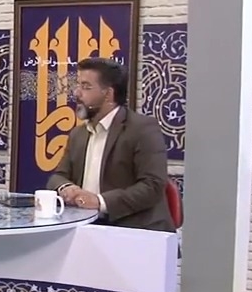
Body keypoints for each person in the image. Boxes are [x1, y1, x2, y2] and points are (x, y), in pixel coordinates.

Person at [46, 57, 174, 232]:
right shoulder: (78, 134)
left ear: (108, 94)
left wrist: (99, 202)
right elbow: (58, 177)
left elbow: (152, 186)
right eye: (78, 85)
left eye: (86, 87)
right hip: (86, 229)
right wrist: (67, 187)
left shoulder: (142, 129)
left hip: (135, 231)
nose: (76, 93)